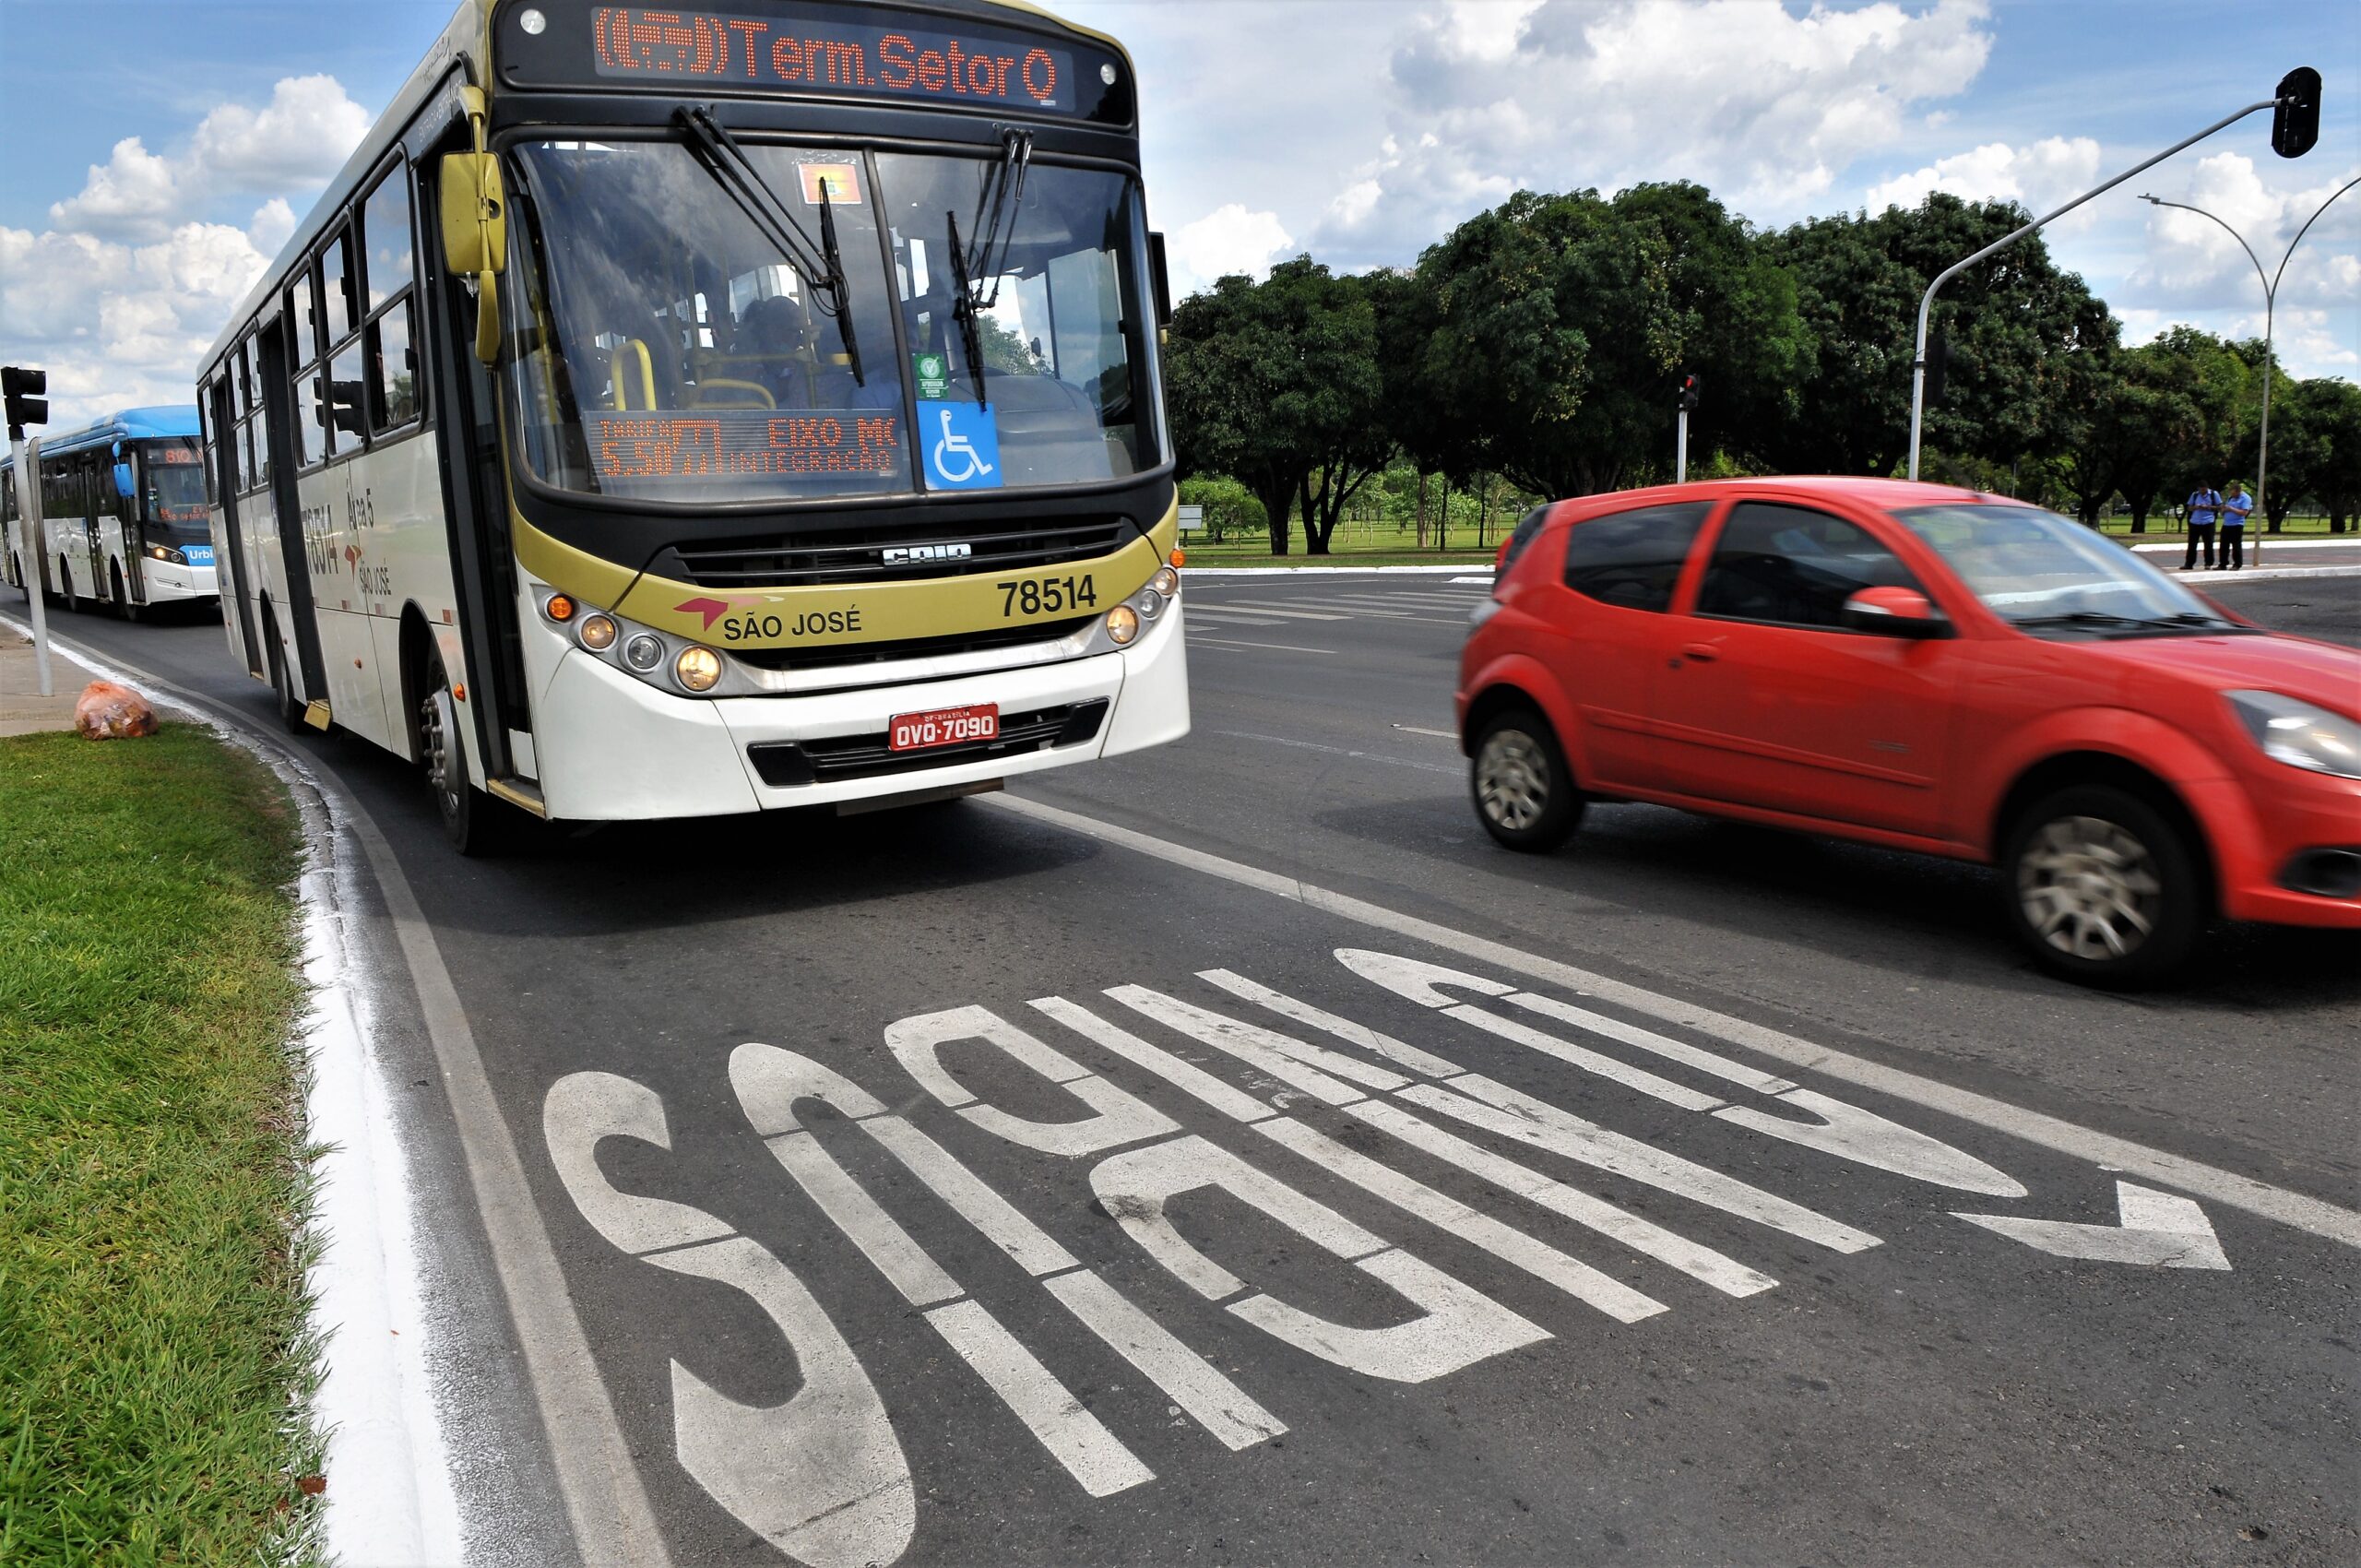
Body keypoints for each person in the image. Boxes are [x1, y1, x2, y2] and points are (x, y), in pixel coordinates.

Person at [2181, 481, 2221, 570]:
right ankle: (2189, 563)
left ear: (2207, 488)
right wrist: (2195, 507)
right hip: (2195, 522)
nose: (2203, 492)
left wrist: (2208, 507)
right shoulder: (2195, 495)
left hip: (2208, 521)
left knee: (2208, 544)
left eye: (2204, 490)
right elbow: (2189, 507)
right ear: (2198, 488)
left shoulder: (2214, 494)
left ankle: (2208, 563)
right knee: (2192, 544)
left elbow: (2219, 507)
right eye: (2201, 490)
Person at [2219, 479, 2252, 569]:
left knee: (2236, 545)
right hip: (2226, 524)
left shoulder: (2245, 498)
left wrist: (2231, 509)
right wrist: (2223, 510)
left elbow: (2244, 512)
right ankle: (2223, 564)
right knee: (2223, 545)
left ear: (2238, 492)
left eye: (2234, 494)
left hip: (2237, 524)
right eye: (2231, 494)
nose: (2232, 495)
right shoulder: (2231, 498)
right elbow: (2224, 510)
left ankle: (2237, 564)